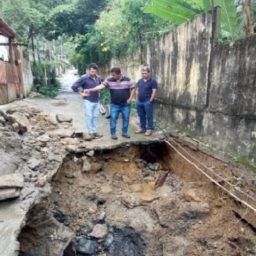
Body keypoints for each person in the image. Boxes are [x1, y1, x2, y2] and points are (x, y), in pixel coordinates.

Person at [85, 67, 135, 140]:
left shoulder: (127, 79)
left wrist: (130, 98)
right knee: (113, 118)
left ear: (119, 74)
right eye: (112, 75)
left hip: (125, 104)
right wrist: (91, 90)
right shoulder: (109, 80)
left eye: (114, 75)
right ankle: (113, 134)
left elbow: (133, 88)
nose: (112, 76)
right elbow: (101, 86)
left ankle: (124, 132)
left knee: (126, 118)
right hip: (115, 104)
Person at [71, 63, 102, 139]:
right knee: (89, 116)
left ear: (96, 71)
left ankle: (94, 131)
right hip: (88, 101)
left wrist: (99, 92)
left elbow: (100, 86)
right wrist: (81, 93)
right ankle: (90, 132)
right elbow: (74, 86)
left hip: (96, 100)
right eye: (91, 71)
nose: (93, 72)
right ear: (88, 70)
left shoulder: (98, 78)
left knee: (95, 116)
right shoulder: (84, 78)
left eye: (94, 71)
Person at [135, 67, 157, 136]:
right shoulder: (140, 81)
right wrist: (137, 99)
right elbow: (137, 90)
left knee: (149, 116)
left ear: (149, 73)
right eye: (142, 73)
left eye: (145, 73)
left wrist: (150, 100)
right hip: (139, 101)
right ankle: (142, 128)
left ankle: (149, 129)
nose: (144, 75)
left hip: (147, 102)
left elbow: (154, 91)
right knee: (141, 115)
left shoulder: (153, 81)